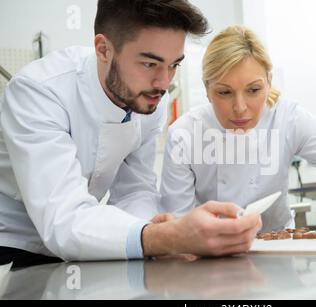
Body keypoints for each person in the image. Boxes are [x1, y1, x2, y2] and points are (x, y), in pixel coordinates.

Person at [0, 1, 262, 266]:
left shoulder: (148, 102)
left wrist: (152, 226)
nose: (163, 83)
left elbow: (134, 190)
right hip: (12, 246)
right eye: (150, 64)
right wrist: (166, 238)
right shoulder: (39, 92)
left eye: (174, 65)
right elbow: (64, 221)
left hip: (80, 250)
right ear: (103, 50)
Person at [160, 26, 316, 231]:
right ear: (207, 89)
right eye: (224, 92)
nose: (240, 108)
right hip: (206, 263)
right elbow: (176, 223)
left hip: (279, 256)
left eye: (253, 90)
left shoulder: (287, 118)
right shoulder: (185, 134)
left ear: (269, 82)